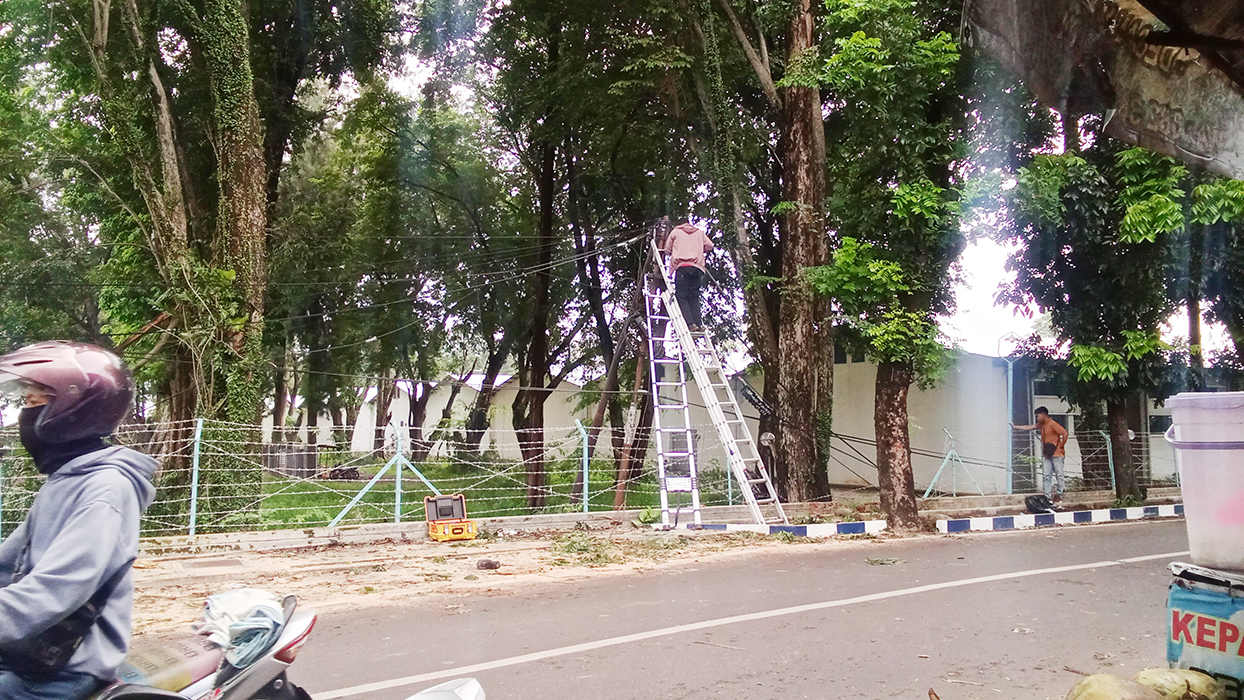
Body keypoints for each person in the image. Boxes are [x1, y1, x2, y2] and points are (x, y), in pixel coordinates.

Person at [0, 341, 157, 699]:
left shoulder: (105, 489)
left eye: (32, 402)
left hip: (65, 670)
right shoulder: (65, 479)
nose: (24, 415)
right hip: (34, 654)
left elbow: (56, 590)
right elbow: (10, 563)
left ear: (70, 410)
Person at [663, 220, 714, 332]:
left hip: (683, 267)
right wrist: (699, 248)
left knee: (682, 296)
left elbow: (667, 250)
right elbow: (710, 246)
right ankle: (699, 324)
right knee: (694, 297)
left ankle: (691, 324)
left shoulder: (675, 232)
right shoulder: (699, 233)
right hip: (697, 269)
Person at [1012, 406, 1069, 502]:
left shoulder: (1052, 424)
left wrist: (1061, 446)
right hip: (1047, 453)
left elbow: (1065, 433)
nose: (1037, 418)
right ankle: (1047, 496)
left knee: (1059, 474)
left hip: (1057, 453)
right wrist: (1015, 427)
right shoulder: (1042, 425)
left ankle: (1059, 494)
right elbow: (1031, 427)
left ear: (1043, 414)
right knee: (1046, 475)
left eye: (1038, 416)